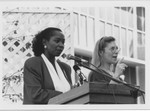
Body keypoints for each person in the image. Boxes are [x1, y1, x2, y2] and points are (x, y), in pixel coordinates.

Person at [23, 27, 72, 104]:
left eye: (63, 42)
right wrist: (65, 96)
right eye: (57, 41)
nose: (61, 45)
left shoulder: (66, 68)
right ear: (44, 42)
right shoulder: (33, 63)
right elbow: (35, 95)